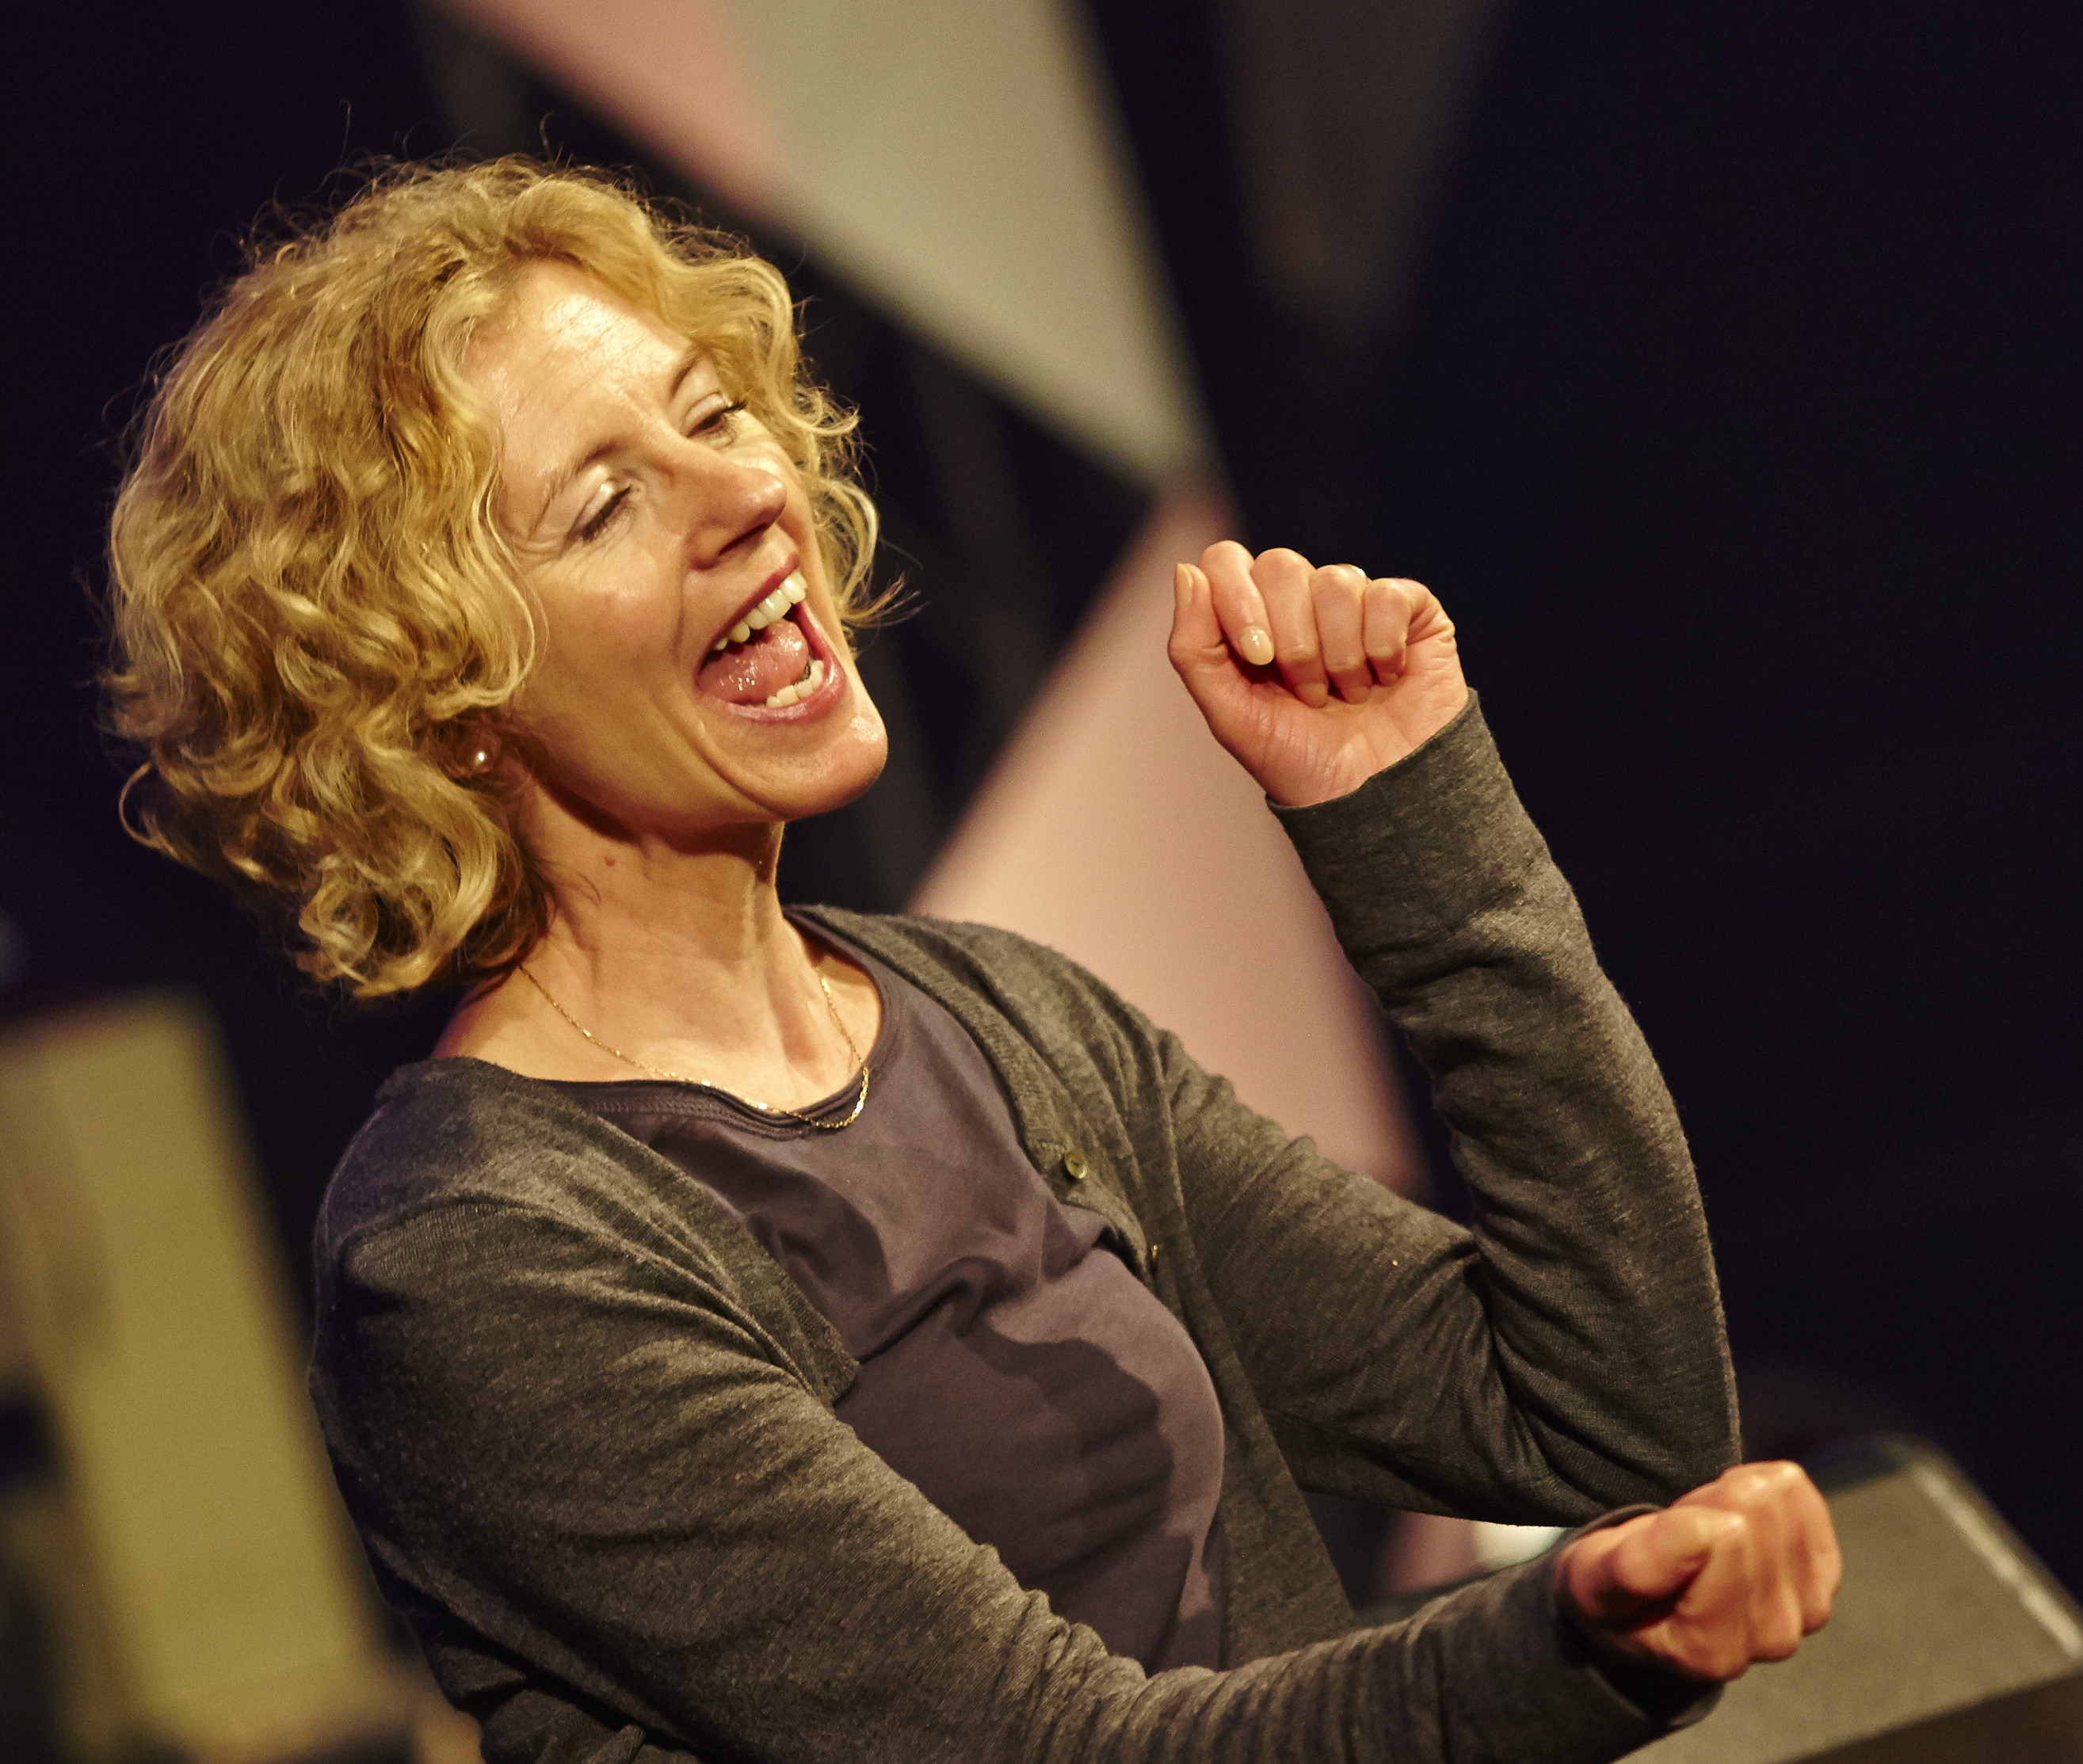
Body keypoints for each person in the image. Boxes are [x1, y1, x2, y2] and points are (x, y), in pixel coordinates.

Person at [101, 158, 1838, 1763]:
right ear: (439, 696)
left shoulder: (1000, 1021)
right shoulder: (483, 1259)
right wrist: (1559, 1641)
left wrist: (1414, 830)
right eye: (606, 504)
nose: (747, 494)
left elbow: (1604, 1426)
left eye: (715, 415)